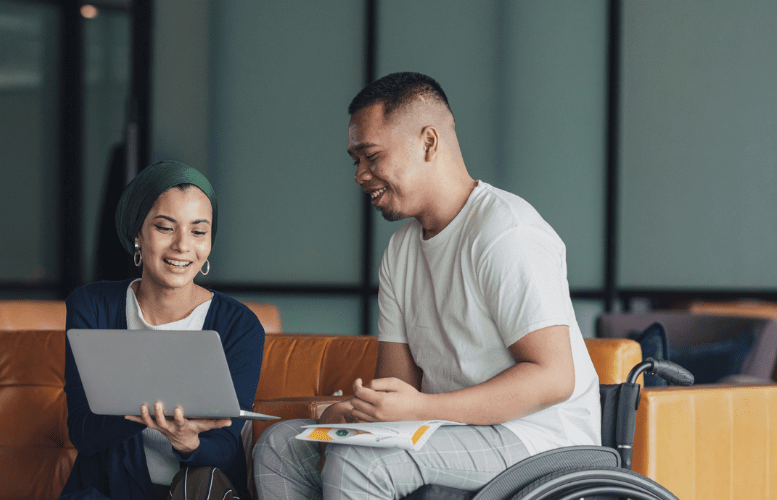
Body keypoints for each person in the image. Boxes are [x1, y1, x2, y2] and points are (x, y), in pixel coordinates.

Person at [252, 72, 600, 500]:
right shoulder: (401, 252)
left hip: (539, 438)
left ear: (428, 143)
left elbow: (553, 378)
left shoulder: (505, 232)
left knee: (362, 464)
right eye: (354, 160)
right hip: (448, 430)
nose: (360, 175)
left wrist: (420, 409)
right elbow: (399, 386)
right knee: (279, 446)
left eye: (371, 156)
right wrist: (363, 410)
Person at [59, 160, 266, 500]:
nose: (183, 246)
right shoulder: (92, 306)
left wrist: (188, 441)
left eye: (198, 231)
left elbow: (226, 448)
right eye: (165, 227)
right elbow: (83, 432)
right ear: (137, 234)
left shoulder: (240, 326)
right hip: (108, 491)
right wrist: (145, 409)